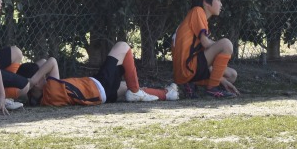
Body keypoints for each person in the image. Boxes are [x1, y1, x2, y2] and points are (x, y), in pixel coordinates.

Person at [20, 42, 179, 106]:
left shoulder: (40, 99)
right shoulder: (51, 88)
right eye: (41, 77)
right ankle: (136, 92)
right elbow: (51, 61)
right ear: (36, 83)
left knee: (126, 87)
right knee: (123, 46)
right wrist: (32, 80)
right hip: (99, 85)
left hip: (100, 95)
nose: (44, 77)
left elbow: (42, 63)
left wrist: (29, 83)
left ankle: (167, 94)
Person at [173, 0, 240, 98]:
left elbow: (204, 57)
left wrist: (221, 79)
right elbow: (206, 43)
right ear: (206, 2)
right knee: (226, 44)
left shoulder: (198, 16)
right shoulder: (197, 11)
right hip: (187, 68)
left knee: (232, 75)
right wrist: (223, 48)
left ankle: (191, 84)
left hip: (188, 70)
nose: (221, 4)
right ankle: (212, 88)